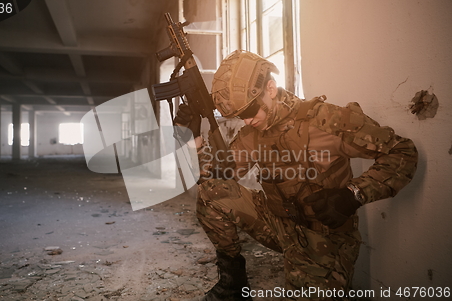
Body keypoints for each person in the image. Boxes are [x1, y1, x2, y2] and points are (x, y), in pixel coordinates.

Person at [174, 50, 418, 301]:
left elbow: (402, 152)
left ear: (270, 89)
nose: (246, 121)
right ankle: (233, 284)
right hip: (278, 224)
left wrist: (353, 195)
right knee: (212, 192)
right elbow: (214, 176)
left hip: (321, 238)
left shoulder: (324, 121)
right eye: (240, 116)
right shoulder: (252, 135)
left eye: (250, 111)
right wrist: (191, 135)